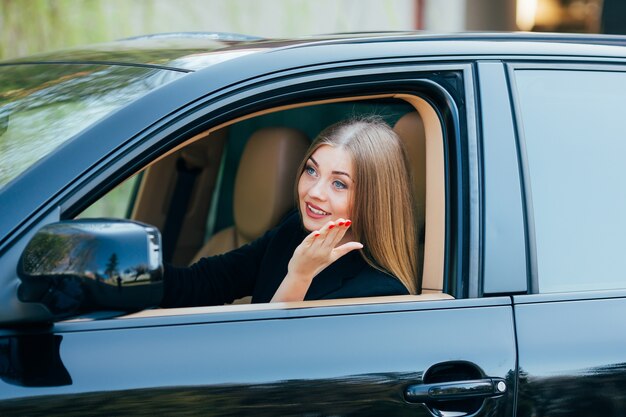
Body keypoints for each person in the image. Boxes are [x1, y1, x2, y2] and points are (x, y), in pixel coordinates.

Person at [161, 117, 419, 308]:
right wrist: (131, 278)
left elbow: (267, 359)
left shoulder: (381, 294)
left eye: (339, 183)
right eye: (311, 170)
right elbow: (204, 283)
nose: (314, 191)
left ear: (372, 199)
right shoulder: (293, 231)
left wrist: (299, 275)